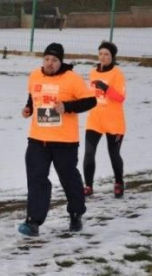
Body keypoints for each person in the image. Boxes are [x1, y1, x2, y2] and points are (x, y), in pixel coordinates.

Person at [19, 43, 97, 237]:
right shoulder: (34, 76)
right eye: (46, 59)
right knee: (36, 179)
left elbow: (90, 100)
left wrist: (68, 107)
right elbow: (33, 97)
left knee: (69, 179)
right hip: (38, 139)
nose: (50, 63)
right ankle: (33, 221)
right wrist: (28, 109)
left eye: (54, 60)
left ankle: (76, 213)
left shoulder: (72, 79)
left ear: (61, 62)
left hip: (64, 141)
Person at [83, 41, 127, 198]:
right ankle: (88, 186)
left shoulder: (117, 74)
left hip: (114, 121)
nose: (103, 57)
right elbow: (90, 94)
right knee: (89, 153)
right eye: (100, 53)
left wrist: (106, 88)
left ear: (112, 57)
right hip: (94, 119)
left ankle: (119, 182)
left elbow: (120, 98)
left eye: (106, 54)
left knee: (113, 154)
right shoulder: (92, 72)